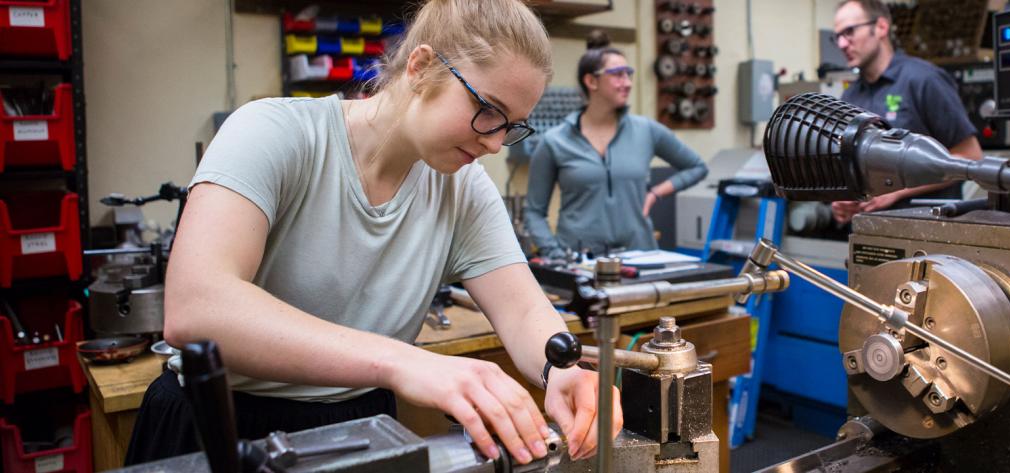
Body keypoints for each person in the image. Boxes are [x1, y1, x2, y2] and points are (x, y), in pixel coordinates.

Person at [125, 0, 618, 466]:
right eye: (487, 110)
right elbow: (197, 308)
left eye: (510, 126)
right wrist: (400, 362)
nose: (493, 143)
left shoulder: (464, 188)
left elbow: (522, 307)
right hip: (218, 427)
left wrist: (563, 371)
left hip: (360, 430)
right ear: (422, 67)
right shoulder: (274, 133)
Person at [523, 31, 707, 257]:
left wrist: (655, 194)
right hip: (579, 261)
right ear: (591, 81)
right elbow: (534, 211)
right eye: (617, 75)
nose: (627, 83)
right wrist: (554, 253)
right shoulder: (555, 141)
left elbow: (697, 167)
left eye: (628, 74)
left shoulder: (646, 130)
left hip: (640, 256)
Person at [829, 0, 983, 224]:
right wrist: (844, 200)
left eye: (850, 31)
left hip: (928, 236)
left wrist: (895, 191)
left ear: (881, 27)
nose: (842, 43)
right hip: (870, 237)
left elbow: (970, 157)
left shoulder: (924, 80)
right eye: (838, 36)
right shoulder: (850, 97)